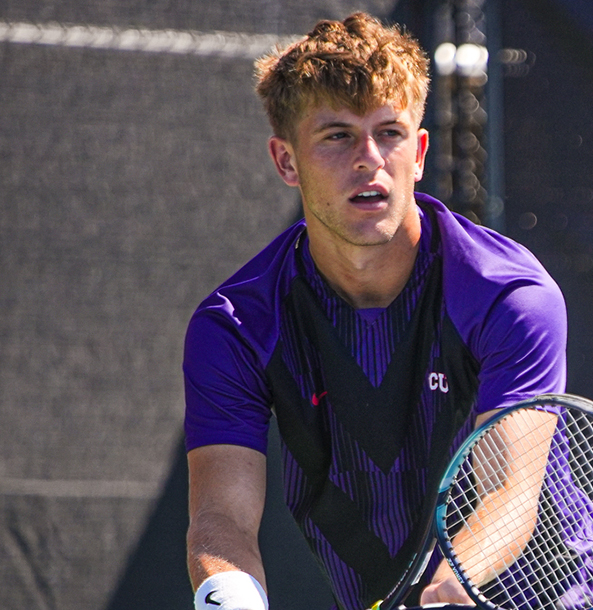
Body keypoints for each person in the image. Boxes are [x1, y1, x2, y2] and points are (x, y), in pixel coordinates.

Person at [180, 12, 567, 610]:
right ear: (286, 161)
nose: (369, 158)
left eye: (388, 133)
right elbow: (221, 518)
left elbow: (508, 493)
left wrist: (447, 592)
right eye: (337, 136)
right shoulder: (235, 327)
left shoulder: (507, 297)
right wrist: (231, 599)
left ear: (419, 152)